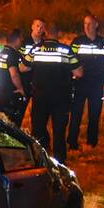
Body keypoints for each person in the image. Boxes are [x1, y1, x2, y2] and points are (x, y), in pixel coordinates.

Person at [22, 24, 82, 162]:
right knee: (59, 131)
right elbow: (78, 72)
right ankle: (60, 160)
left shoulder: (36, 49)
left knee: (38, 128)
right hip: (61, 97)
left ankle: (41, 159)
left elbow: (23, 67)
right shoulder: (66, 50)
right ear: (58, 34)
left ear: (45, 33)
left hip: (40, 96)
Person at [68, 13, 104, 151]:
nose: (87, 27)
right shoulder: (77, 41)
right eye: (84, 24)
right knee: (76, 113)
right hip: (80, 83)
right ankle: (72, 142)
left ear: (96, 25)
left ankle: (92, 142)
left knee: (95, 113)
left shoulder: (103, 42)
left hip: (97, 83)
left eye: (89, 23)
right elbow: (70, 61)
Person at [0, 28, 27, 126]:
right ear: (16, 39)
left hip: (0, 93)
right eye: (21, 39)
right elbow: (14, 74)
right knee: (12, 126)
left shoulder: (2, 52)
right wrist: (20, 89)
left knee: (1, 124)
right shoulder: (13, 54)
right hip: (11, 96)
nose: (22, 41)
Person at [18, 18, 46, 112]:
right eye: (37, 26)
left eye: (42, 27)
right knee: (20, 109)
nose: (39, 29)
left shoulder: (45, 44)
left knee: (38, 111)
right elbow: (18, 59)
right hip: (25, 80)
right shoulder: (24, 42)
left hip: (39, 82)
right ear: (32, 26)